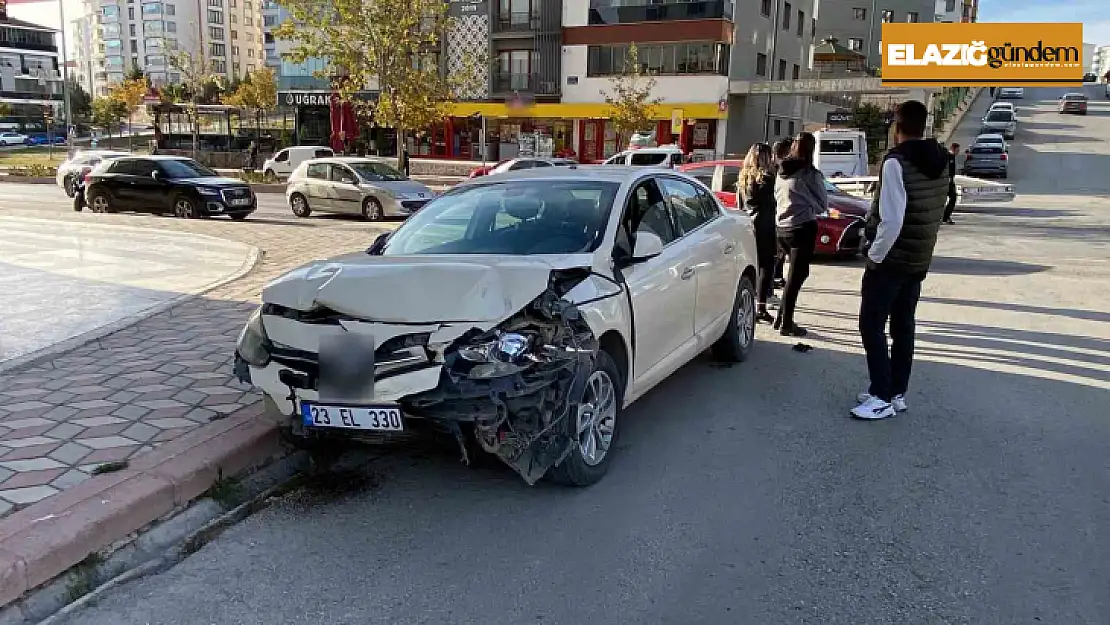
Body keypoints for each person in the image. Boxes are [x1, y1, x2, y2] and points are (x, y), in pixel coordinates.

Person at [852, 100, 950, 420]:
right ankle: (896, 392)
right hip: (919, 258)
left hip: (892, 259)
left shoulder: (896, 162)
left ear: (897, 126)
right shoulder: (942, 160)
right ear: (923, 125)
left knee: (871, 324)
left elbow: (892, 219)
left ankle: (880, 395)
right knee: (903, 326)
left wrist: (875, 255)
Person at [773, 132, 827, 337]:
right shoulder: (809, 174)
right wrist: (806, 203)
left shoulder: (780, 170)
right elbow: (823, 205)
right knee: (796, 277)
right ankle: (786, 323)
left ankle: (780, 317)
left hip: (782, 228)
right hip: (802, 227)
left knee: (794, 275)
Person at [738, 143, 778, 324]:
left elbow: (741, 205)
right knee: (767, 266)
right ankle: (761, 306)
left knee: (752, 264)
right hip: (764, 225)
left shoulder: (743, 178)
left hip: (748, 225)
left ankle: (749, 303)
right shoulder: (768, 180)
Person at [770, 139, 793, 289]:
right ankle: (774, 278)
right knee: (776, 252)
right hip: (775, 215)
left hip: (778, 215)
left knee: (780, 252)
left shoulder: (779, 168)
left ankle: (777, 276)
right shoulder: (776, 170)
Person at [943, 142, 959, 224]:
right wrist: (950, 179)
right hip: (948, 181)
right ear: (953, 149)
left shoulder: (949, 156)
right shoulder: (950, 157)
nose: (958, 152)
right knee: (953, 198)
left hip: (949, 180)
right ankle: (945, 217)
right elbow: (949, 169)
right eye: (957, 150)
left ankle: (945, 216)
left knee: (950, 198)